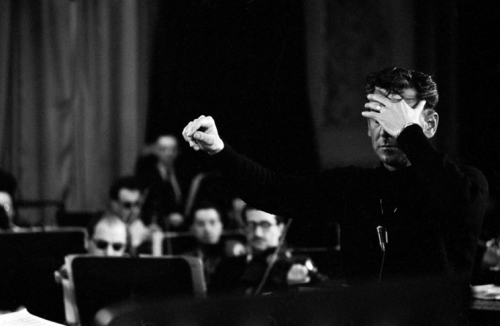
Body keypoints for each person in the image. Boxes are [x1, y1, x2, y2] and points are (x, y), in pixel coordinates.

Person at [182, 67, 489, 286]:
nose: (386, 130)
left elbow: (457, 201)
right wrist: (219, 150)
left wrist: (410, 132)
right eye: (377, 116)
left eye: (397, 117)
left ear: (430, 124)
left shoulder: (466, 182)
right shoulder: (354, 186)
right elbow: (273, 190)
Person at [209, 205, 324, 296]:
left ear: (281, 228)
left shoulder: (298, 263)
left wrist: (293, 288)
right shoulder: (227, 266)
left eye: (265, 225)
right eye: (251, 225)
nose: (257, 233)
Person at [183, 201, 245, 285]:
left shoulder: (235, 253)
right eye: (200, 224)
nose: (207, 229)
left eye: (212, 222)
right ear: (192, 228)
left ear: (221, 225)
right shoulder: (186, 261)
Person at [135, 134, 187, 231]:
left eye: (173, 149)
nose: (169, 153)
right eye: (163, 149)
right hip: (155, 227)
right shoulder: (147, 176)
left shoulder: (182, 175)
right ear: (156, 151)